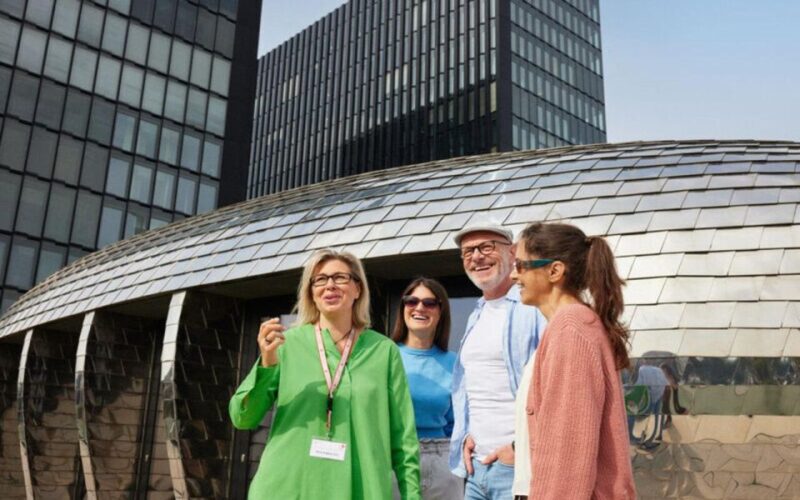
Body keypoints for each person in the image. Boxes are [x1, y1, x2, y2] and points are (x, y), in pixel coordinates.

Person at [228, 249, 421, 499]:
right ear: (311, 293)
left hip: (361, 489)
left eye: (340, 277)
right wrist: (267, 364)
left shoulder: (384, 351)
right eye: (320, 279)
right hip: (288, 488)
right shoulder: (286, 345)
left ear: (358, 289)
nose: (330, 285)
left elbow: (404, 437)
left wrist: (412, 495)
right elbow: (243, 417)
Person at [511, 222, 636, 499]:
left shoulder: (571, 329)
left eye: (520, 265)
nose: (513, 275)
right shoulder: (568, 326)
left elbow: (568, 447)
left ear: (554, 271)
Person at [449, 226, 547, 500]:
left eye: (487, 247)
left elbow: (552, 385)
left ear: (512, 253)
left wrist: (517, 449)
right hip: (476, 469)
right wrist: (467, 434)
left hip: (515, 469)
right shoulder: (476, 314)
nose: (477, 256)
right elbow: (473, 387)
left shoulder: (533, 309)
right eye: (468, 251)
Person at [391, 278, 463, 500]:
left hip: (441, 461)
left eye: (429, 303)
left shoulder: (455, 363)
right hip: (393, 458)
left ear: (441, 312)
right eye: (411, 301)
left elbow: (457, 421)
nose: (419, 307)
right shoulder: (384, 356)